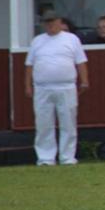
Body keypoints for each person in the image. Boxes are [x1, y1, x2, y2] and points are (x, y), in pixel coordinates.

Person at [24, 9, 89, 166]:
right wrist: (27, 85)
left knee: (68, 123)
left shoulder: (71, 39)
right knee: (44, 123)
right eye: (47, 22)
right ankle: (46, 158)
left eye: (53, 21)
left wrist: (84, 81)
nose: (50, 25)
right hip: (42, 87)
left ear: (60, 22)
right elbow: (29, 65)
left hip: (66, 86)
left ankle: (67, 157)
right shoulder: (37, 41)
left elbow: (80, 61)